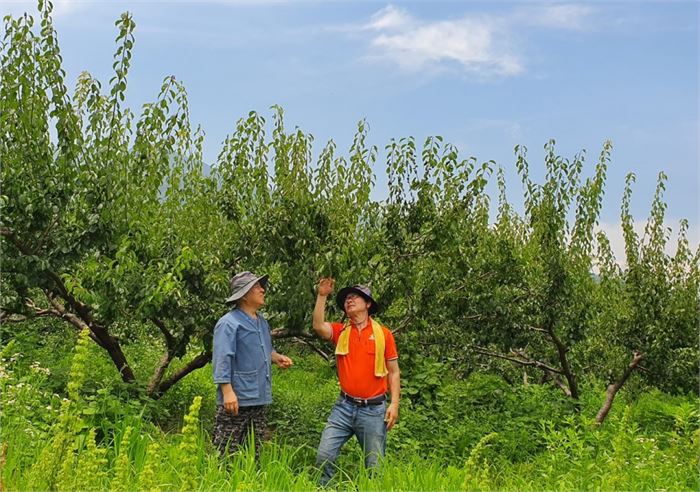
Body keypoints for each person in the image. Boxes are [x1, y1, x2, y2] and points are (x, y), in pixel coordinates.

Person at [312, 277, 400, 486]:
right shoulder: (341, 331)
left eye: (355, 297)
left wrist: (395, 404)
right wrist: (322, 295)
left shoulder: (384, 335)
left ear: (368, 304)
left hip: (373, 410)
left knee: (374, 466)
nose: (349, 300)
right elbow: (317, 326)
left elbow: (393, 372)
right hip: (343, 406)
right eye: (346, 299)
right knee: (324, 455)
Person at [212, 271, 293, 457]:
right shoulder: (229, 323)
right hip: (237, 398)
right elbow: (222, 357)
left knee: (253, 452)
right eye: (257, 287)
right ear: (244, 295)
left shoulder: (262, 322)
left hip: (259, 396)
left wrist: (276, 357)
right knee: (227, 452)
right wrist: (227, 391)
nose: (262, 290)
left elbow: (263, 349)